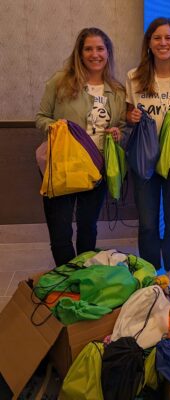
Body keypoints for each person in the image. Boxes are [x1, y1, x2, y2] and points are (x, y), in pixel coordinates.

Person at [36, 27, 126, 267]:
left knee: (88, 226)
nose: (94, 54)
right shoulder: (60, 81)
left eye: (100, 48)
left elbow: (123, 126)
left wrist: (118, 132)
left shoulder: (117, 90)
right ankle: (66, 276)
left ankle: (85, 275)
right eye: (88, 48)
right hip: (63, 165)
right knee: (60, 229)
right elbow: (42, 117)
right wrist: (57, 127)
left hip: (96, 167)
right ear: (79, 52)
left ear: (108, 53)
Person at [126, 17, 170, 289]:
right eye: (157, 38)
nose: (163, 43)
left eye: (168, 38)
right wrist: (131, 116)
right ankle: (149, 271)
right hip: (144, 158)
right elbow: (126, 114)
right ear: (149, 43)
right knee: (147, 223)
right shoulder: (134, 77)